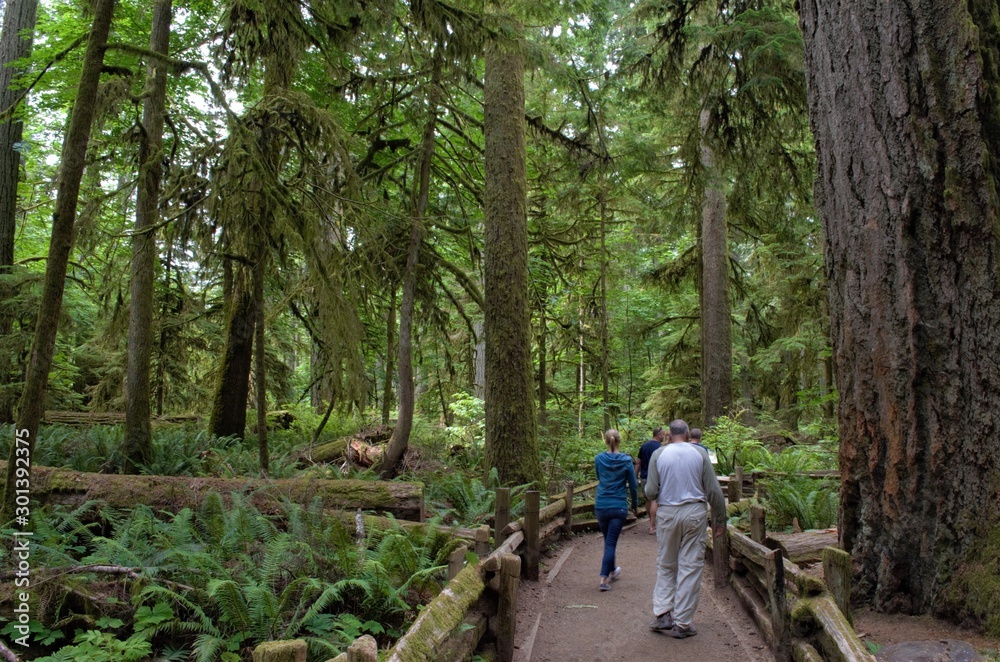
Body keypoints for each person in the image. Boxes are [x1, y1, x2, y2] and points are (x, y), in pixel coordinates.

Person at [645, 419, 726, 638]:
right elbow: (713, 490)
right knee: (690, 565)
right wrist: (720, 520)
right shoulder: (699, 453)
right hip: (694, 514)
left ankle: (662, 613)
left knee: (666, 563)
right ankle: (682, 623)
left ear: (669, 435)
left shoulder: (658, 455)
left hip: (668, 513)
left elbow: (651, 491)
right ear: (688, 433)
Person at [594, 428, 639, 591]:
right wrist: (635, 504)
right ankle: (603, 580)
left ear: (606, 441)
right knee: (610, 543)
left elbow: (599, 477)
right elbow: (633, 486)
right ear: (619, 441)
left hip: (601, 505)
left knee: (608, 542)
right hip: (618, 506)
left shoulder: (599, 459)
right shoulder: (626, 461)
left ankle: (612, 571)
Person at [637, 427, 666, 534]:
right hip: (657, 477)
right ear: (658, 435)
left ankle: (650, 520)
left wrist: (635, 476)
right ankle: (652, 525)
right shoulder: (661, 448)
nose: (663, 437)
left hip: (644, 477)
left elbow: (638, 462)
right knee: (655, 500)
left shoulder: (644, 446)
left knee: (648, 499)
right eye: (662, 434)